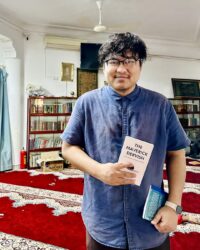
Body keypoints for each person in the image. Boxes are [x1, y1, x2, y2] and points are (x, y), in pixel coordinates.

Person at [61, 32, 190, 250]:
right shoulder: (86, 103)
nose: (122, 69)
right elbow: (68, 147)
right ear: (104, 66)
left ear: (140, 65)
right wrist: (100, 171)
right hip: (102, 219)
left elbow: (176, 154)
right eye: (114, 61)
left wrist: (173, 205)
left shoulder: (160, 105)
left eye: (130, 61)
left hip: (151, 222)